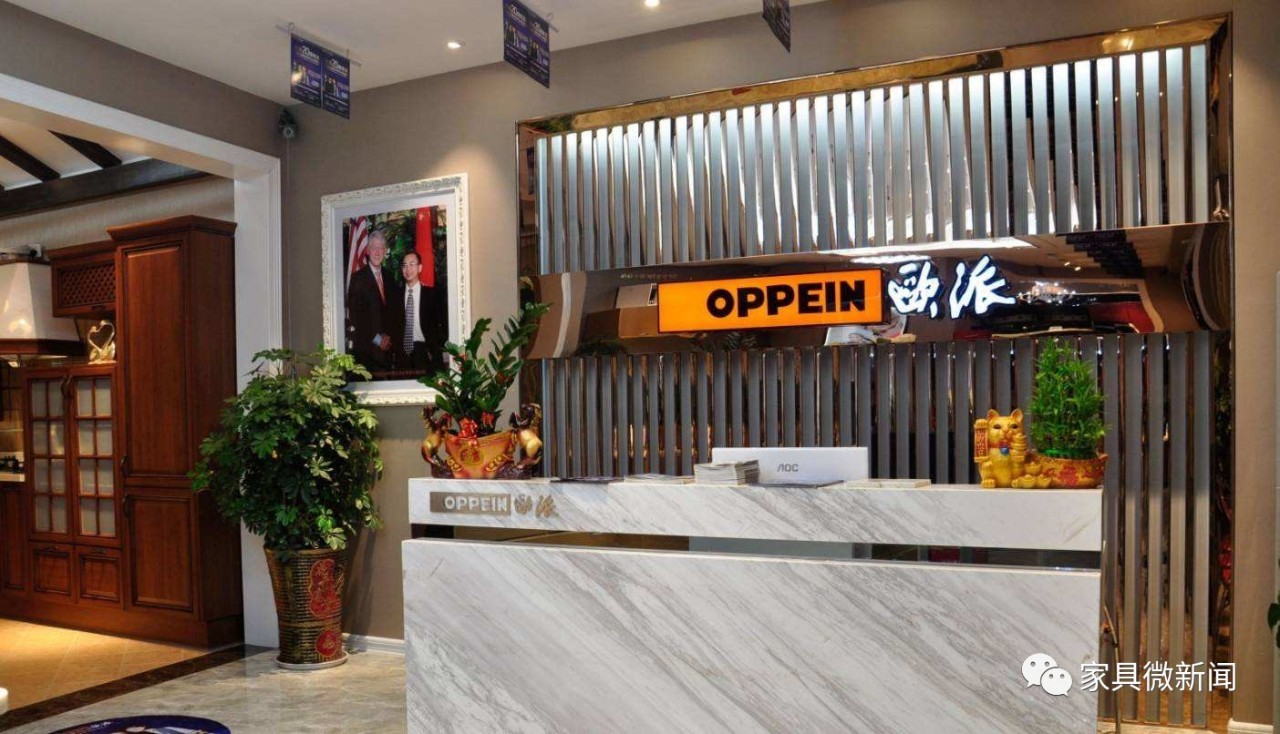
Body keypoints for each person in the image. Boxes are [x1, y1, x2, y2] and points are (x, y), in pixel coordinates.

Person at [347, 230, 400, 372]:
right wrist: (378, 339)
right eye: (374, 248)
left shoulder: (390, 277)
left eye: (380, 248)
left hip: (387, 352)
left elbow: (394, 312)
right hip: (366, 352)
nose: (377, 252)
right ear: (368, 250)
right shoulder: (357, 279)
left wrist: (388, 337)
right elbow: (355, 317)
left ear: (385, 251)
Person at [395, 250, 447, 372]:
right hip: (403, 356)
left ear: (420, 268)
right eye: (404, 265)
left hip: (427, 353)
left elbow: (445, 324)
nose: (408, 269)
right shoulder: (395, 295)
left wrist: (436, 346)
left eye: (412, 264)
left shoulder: (433, 295)